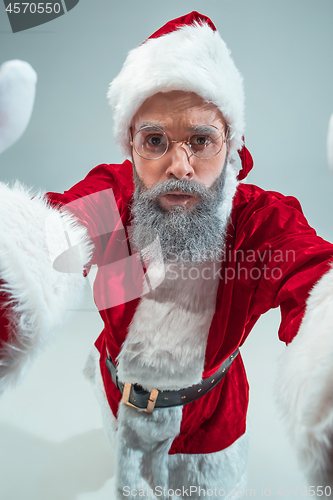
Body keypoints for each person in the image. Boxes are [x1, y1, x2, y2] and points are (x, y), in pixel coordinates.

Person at [1, 11, 333, 499]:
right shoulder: (114, 198)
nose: (179, 166)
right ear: (131, 145)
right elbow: (49, 237)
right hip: (116, 400)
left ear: (233, 147)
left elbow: (313, 275)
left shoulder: (258, 222)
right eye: (155, 141)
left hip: (209, 429)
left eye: (202, 141)